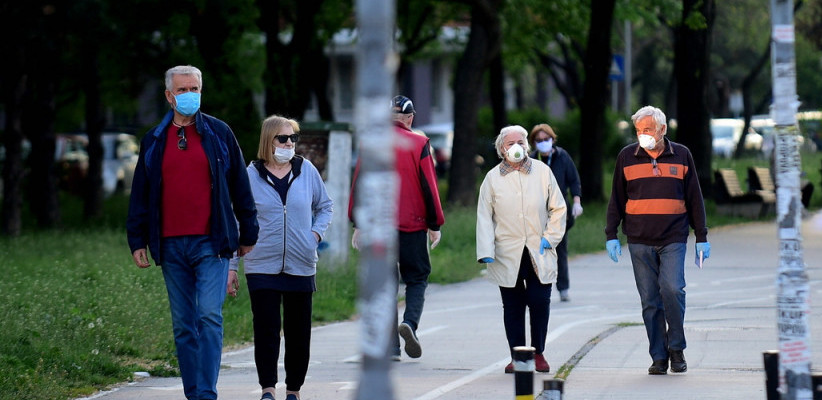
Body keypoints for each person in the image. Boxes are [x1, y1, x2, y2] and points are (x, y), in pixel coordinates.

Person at [126, 65, 259, 400]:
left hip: (211, 242)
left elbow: (240, 186)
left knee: (209, 316)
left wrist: (248, 231)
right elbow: (140, 194)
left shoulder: (218, 133)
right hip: (169, 245)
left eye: (195, 88)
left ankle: (206, 394)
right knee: (184, 325)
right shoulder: (154, 140)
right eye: (183, 90)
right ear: (170, 96)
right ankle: (194, 393)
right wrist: (136, 239)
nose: (191, 95)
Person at [228, 115, 333, 400]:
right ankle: (268, 389)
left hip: (301, 263)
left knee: (299, 334)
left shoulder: (306, 170)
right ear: (268, 140)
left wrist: (314, 236)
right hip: (261, 263)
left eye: (293, 138)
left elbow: (325, 207)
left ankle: (294, 391)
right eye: (283, 138)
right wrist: (232, 267)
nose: (290, 143)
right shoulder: (249, 176)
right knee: (266, 330)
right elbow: (238, 221)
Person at [605, 105, 711, 375]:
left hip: (673, 236)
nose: (643, 135)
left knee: (673, 289)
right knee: (650, 300)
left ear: (663, 129)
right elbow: (616, 198)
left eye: (648, 130)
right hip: (639, 239)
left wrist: (701, 236)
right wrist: (611, 235)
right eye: (639, 131)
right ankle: (659, 356)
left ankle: (676, 347)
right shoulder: (626, 157)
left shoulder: (682, 155)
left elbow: (695, 198)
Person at [348, 95, 445, 361]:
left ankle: (391, 348)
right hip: (412, 226)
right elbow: (429, 185)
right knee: (417, 277)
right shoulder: (420, 143)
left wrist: (358, 223)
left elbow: (359, 184)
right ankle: (410, 324)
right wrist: (434, 223)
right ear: (410, 118)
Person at [476, 125, 567, 374]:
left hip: (538, 248)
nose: (516, 146)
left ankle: (538, 352)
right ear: (501, 149)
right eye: (509, 143)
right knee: (513, 306)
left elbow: (558, 207)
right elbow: (484, 216)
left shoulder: (542, 172)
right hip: (507, 251)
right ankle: (518, 356)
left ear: (527, 145)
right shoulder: (493, 178)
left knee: (540, 301)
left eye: (520, 141)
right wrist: (485, 249)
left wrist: (551, 237)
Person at [529, 123, 583, 302]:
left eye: (546, 139)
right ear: (534, 143)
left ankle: (563, 287)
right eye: (539, 141)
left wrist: (576, 202)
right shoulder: (530, 160)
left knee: (560, 250)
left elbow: (574, 180)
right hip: (537, 213)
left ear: (552, 139)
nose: (543, 143)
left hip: (559, 212)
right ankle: (539, 288)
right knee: (537, 251)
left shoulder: (562, 156)